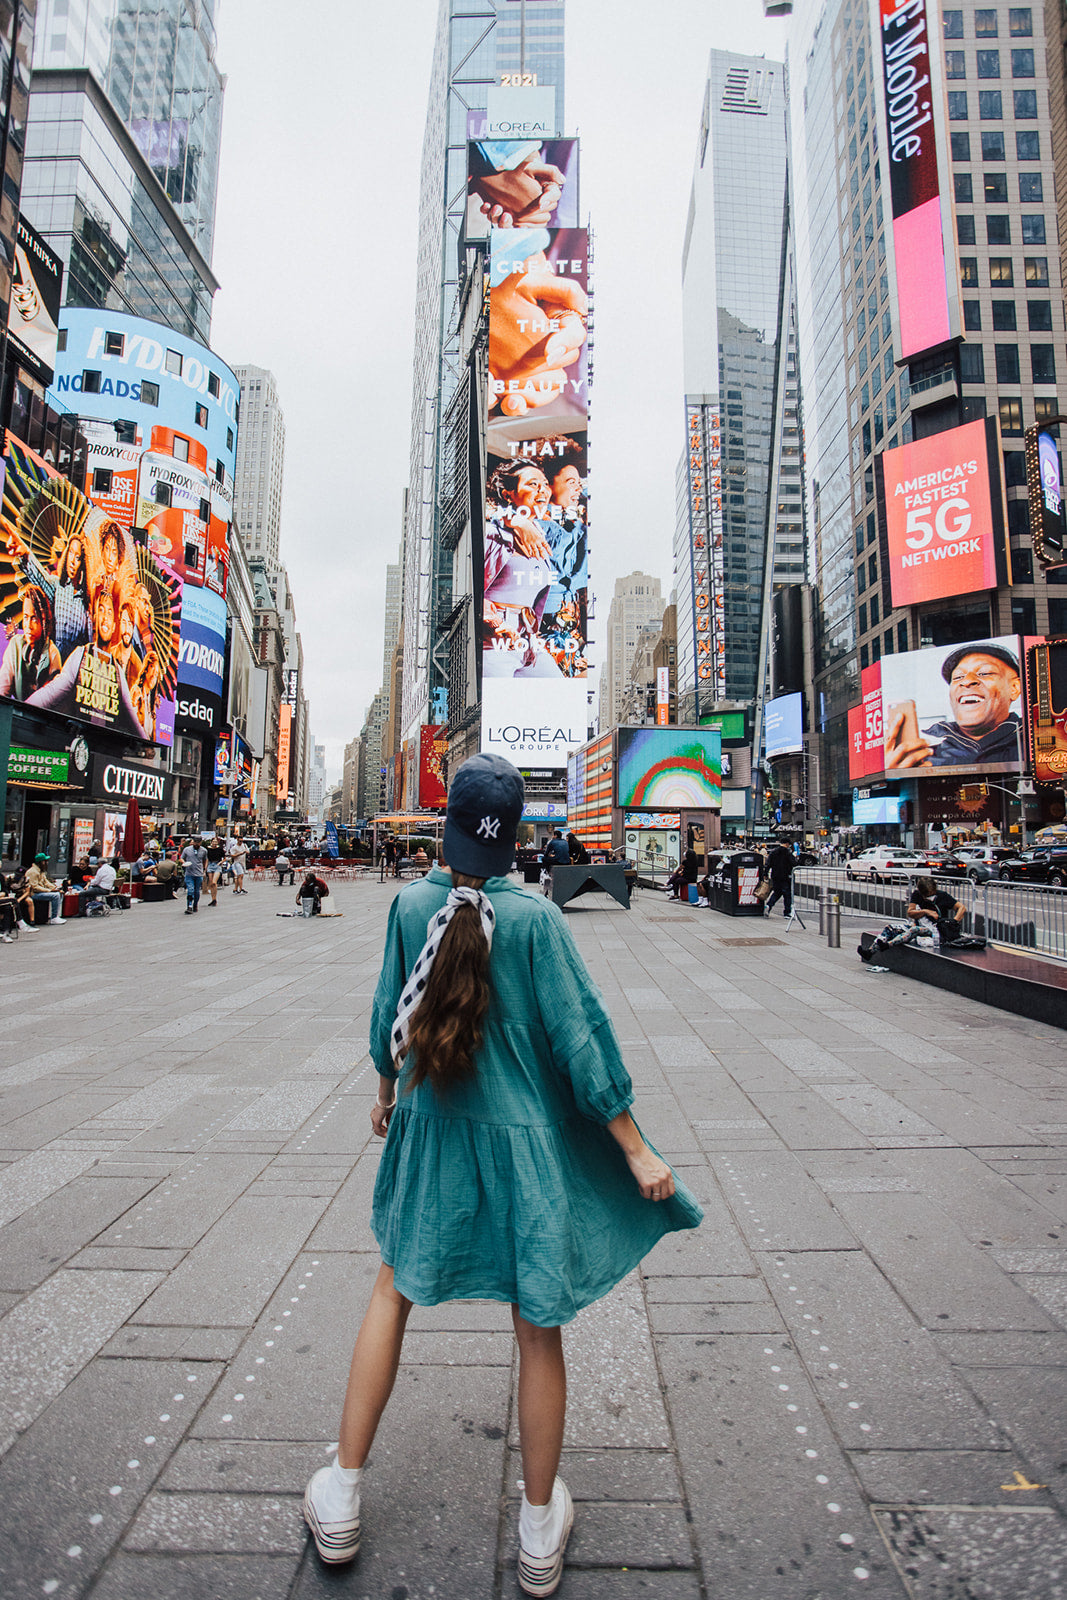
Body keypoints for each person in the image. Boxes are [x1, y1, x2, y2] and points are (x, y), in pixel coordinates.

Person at [302, 753, 701, 1587]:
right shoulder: (537, 922)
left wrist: (385, 1096)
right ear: (517, 839)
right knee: (536, 1324)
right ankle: (536, 1525)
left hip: (430, 1131)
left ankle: (339, 1493)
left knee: (391, 1291)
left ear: (447, 828)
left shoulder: (412, 905)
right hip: (520, 1146)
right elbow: (581, 1043)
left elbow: (389, 1020)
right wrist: (635, 1147)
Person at [885, 644, 1023, 769]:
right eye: (958, 677)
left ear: (1014, 688)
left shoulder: (1033, 744)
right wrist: (890, 775)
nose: (967, 681)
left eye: (984, 673)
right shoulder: (925, 758)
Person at [0, 587, 62, 700]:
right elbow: (3, 690)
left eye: (34, 619)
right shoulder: (15, 645)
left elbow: (51, 702)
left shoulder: (53, 654)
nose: (28, 625)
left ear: (44, 620)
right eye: (25, 617)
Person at [907, 876, 966, 943]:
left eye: (931, 894)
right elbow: (910, 912)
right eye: (926, 896)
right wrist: (925, 911)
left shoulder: (943, 895)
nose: (929, 897)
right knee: (913, 930)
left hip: (940, 929)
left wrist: (954, 921)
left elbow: (961, 907)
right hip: (924, 927)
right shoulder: (917, 894)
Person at [24, 852, 66, 926]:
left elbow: (46, 882)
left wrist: (55, 888)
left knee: (59, 893)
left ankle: (57, 915)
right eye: (45, 861)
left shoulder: (41, 871)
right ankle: (54, 918)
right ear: (42, 862)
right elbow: (34, 887)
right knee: (55, 896)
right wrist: (49, 890)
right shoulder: (33, 872)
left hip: (40, 892)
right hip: (34, 894)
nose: (47, 863)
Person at [764, 838, 796, 917]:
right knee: (787, 894)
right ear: (787, 844)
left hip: (775, 875)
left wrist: (765, 874)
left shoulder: (773, 852)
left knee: (777, 892)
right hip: (785, 876)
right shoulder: (788, 853)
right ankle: (787, 912)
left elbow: (768, 864)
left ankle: (769, 905)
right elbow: (794, 863)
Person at [181, 838, 208, 913]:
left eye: (198, 843)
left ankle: (195, 904)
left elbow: (205, 860)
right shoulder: (187, 849)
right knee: (190, 889)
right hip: (189, 873)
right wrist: (184, 863)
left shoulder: (204, 851)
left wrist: (204, 869)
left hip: (199, 873)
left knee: (196, 891)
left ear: (200, 842)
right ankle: (189, 906)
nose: (196, 844)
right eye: (195, 842)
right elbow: (182, 858)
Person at [540, 828, 570, 894]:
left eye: (553, 835)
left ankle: (548, 873)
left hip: (558, 861)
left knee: (544, 859)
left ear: (555, 836)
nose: (552, 836)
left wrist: (551, 855)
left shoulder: (552, 842)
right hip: (567, 861)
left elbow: (546, 853)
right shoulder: (565, 842)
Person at [204, 837, 225, 906]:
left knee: (214, 882)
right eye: (213, 842)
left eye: (216, 842)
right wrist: (205, 868)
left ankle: (215, 899)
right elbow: (206, 859)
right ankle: (213, 899)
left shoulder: (219, 849)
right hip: (210, 865)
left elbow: (224, 858)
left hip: (217, 865)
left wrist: (220, 863)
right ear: (211, 842)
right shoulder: (208, 849)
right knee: (211, 883)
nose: (214, 843)